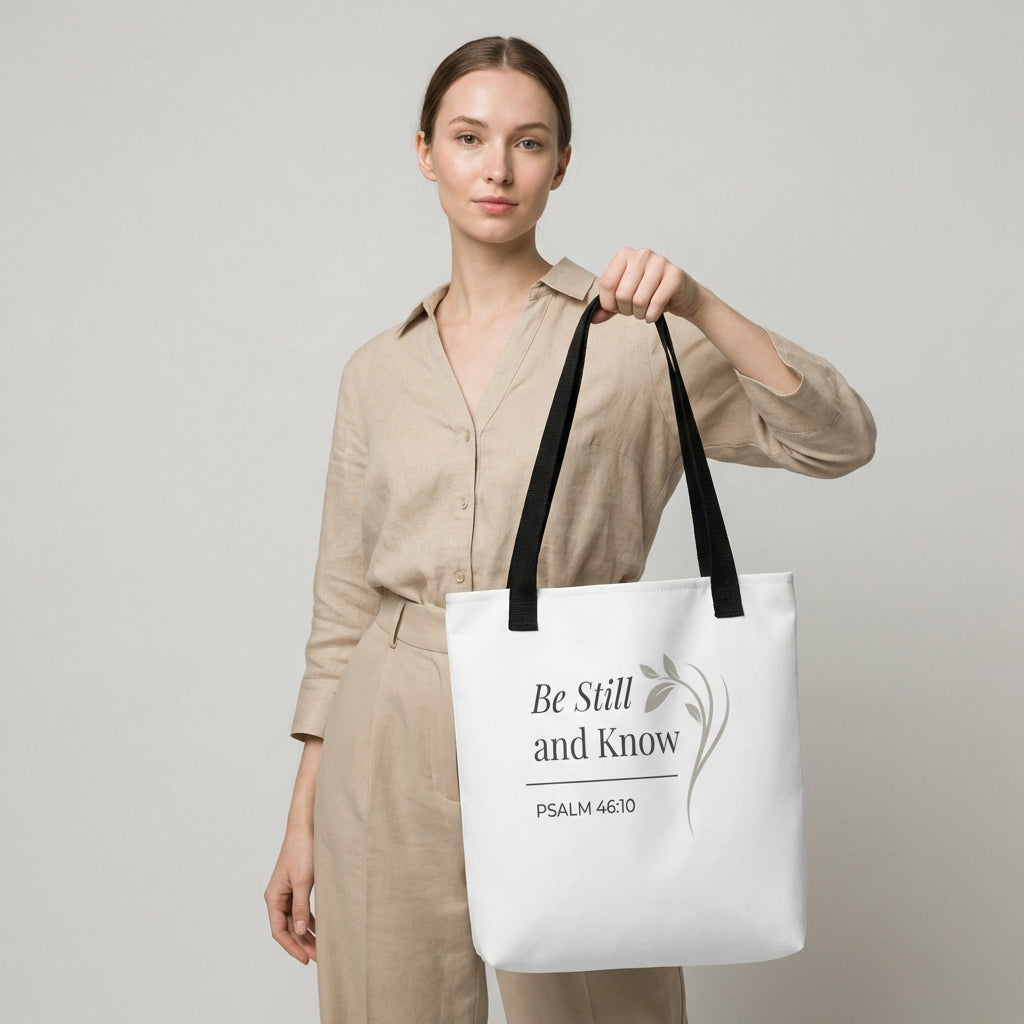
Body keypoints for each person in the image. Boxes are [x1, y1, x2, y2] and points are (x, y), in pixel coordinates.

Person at [265, 35, 875, 1024]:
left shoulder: (635, 338)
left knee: (599, 1007)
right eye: (469, 138)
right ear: (425, 152)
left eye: (528, 142)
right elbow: (343, 605)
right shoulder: (376, 370)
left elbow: (838, 439)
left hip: (573, 712)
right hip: (389, 719)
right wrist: (303, 818)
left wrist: (700, 305)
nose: (496, 168)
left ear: (561, 163)